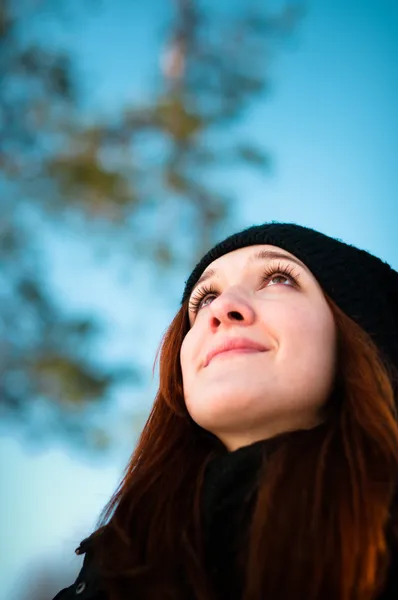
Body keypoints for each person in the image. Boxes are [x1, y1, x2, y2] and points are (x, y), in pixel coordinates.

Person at [53, 222, 398, 600]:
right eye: (204, 299)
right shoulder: (109, 570)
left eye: (279, 278)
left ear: (362, 333)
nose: (221, 307)